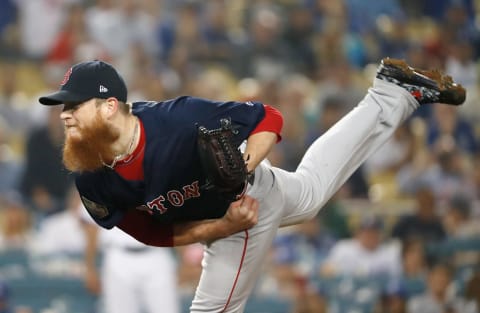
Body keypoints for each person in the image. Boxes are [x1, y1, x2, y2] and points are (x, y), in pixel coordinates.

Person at [38, 58, 465, 312]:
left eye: (74, 105)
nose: (64, 115)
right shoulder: (90, 175)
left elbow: (269, 118)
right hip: (226, 220)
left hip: (244, 202)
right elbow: (149, 231)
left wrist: (243, 165)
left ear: (110, 106)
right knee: (312, 192)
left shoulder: (177, 120)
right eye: (62, 107)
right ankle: (391, 95)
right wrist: (217, 229)